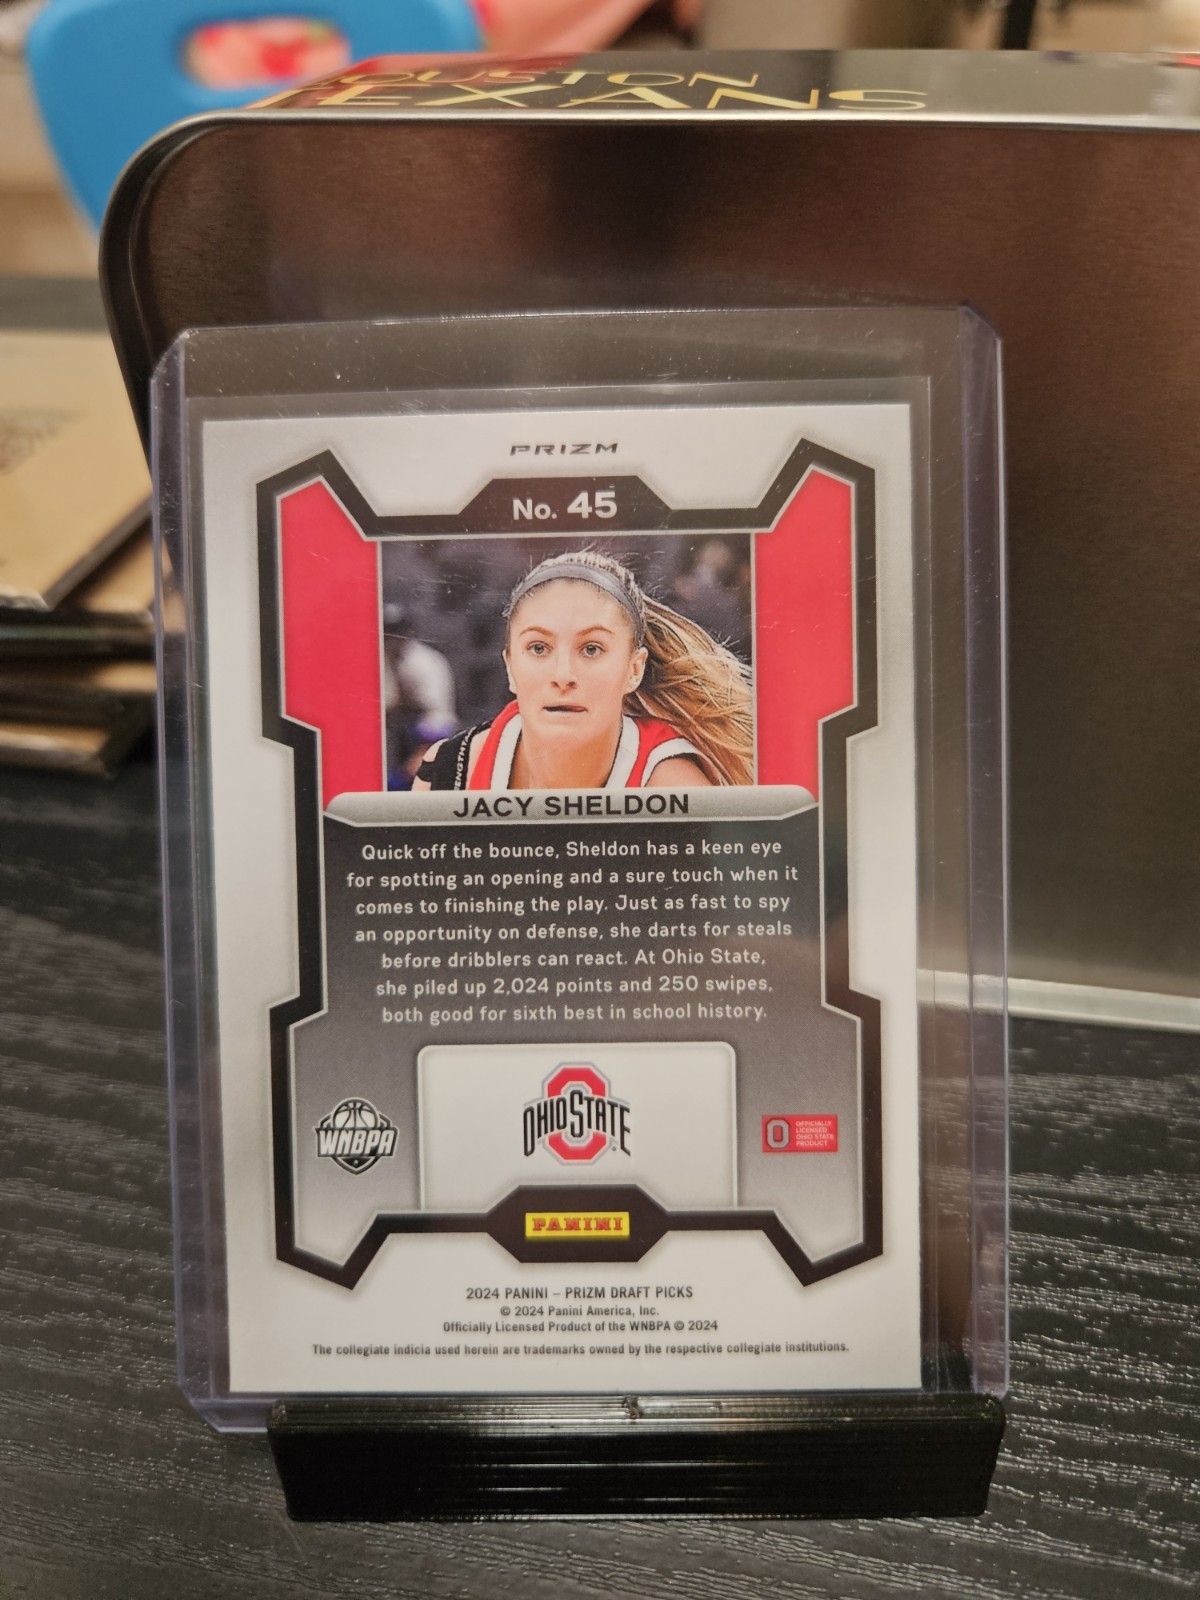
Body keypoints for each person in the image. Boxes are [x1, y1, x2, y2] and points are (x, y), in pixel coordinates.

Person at [412, 550, 753, 791]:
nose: (563, 675)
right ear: (510, 667)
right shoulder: (447, 772)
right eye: (538, 648)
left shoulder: (672, 785)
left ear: (634, 670)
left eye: (591, 649)